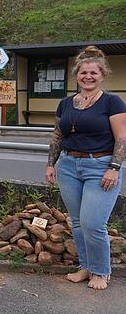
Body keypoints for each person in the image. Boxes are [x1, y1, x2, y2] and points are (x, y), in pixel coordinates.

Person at [46, 46, 126, 290]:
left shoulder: (112, 102)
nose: (88, 76)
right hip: (69, 165)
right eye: (83, 73)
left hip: (100, 166)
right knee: (78, 222)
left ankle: (101, 272)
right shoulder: (66, 103)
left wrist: (114, 167)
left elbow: (121, 137)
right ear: (76, 75)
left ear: (102, 75)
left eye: (93, 73)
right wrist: (51, 163)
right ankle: (86, 267)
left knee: (93, 223)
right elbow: (58, 134)